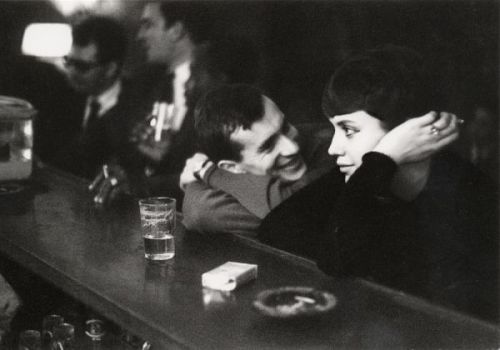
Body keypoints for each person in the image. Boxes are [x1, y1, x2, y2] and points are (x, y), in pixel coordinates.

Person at [259, 46, 498, 321]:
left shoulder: (471, 194)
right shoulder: (363, 176)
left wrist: (383, 158)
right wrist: (383, 159)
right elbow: (274, 232)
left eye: (349, 130)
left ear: (410, 130)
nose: (333, 148)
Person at [91, 1, 212, 207]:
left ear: (176, 30)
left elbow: (215, 172)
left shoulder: (217, 86)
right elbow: (113, 141)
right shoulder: (148, 83)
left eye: (148, 25)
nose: (140, 36)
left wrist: (142, 183)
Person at [180, 84, 340, 236]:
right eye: (268, 146)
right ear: (232, 168)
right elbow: (199, 210)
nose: (292, 148)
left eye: (285, 127)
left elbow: (295, 211)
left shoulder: (333, 147)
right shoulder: (225, 178)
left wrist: (209, 173)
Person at [58, 15, 136, 180]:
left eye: (82, 66)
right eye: (68, 61)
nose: (71, 72)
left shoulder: (138, 103)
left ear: (110, 69)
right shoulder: (60, 94)